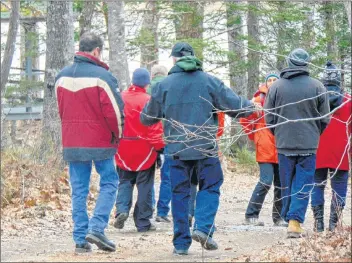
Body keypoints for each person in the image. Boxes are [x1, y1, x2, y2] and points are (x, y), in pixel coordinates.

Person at [141, 42, 257, 255]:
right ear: (193, 57)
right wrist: (253, 106)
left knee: (180, 193)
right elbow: (235, 106)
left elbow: (147, 118)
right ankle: (203, 228)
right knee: (211, 186)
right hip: (205, 148)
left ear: (174, 60)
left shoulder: (163, 85)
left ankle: (181, 244)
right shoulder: (210, 82)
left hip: (177, 150)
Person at [55, 32, 124, 253]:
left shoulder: (61, 77)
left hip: (73, 142)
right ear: (96, 51)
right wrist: (118, 135)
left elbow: (62, 111)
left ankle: (80, 240)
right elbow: (115, 113)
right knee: (110, 182)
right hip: (101, 141)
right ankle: (97, 227)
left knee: (79, 190)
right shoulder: (103, 77)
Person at [264, 48, 330, 238]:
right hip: (308, 144)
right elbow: (325, 118)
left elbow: (269, 117)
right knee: (303, 183)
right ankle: (294, 221)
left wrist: (278, 133)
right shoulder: (317, 86)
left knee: (286, 183)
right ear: (306, 63)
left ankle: (289, 218)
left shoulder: (276, 87)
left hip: (284, 143)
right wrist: (315, 133)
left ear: (289, 62)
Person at [114, 68, 165, 232]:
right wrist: (160, 148)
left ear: (132, 81)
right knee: (145, 186)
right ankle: (143, 222)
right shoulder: (149, 100)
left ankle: (121, 210)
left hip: (123, 148)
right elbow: (154, 128)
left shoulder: (120, 98)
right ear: (147, 82)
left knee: (124, 181)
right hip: (145, 149)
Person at [240, 73, 287, 227]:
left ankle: (279, 218)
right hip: (265, 146)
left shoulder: (284, 98)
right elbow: (243, 118)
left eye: (275, 80)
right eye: (269, 80)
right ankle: (251, 214)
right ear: (265, 83)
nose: (272, 82)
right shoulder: (258, 100)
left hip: (281, 145)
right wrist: (255, 135)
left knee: (281, 184)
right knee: (266, 181)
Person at [311, 61, 351, 232]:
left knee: (317, 185)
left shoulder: (314, 98)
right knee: (339, 187)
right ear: (338, 81)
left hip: (317, 148)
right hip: (341, 151)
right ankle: (333, 224)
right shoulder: (348, 100)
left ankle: (318, 223)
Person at [146, 65, 174, 223]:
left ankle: (148, 208)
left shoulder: (146, 90)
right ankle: (162, 211)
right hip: (167, 138)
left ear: (152, 76)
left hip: (148, 139)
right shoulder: (171, 88)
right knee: (167, 177)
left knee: (147, 176)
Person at [188, 112, 225, 226]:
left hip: (187, 143)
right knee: (208, 184)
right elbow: (219, 129)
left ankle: (188, 214)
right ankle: (204, 222)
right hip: (207, 146)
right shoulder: (214, 97)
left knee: (192, 181)